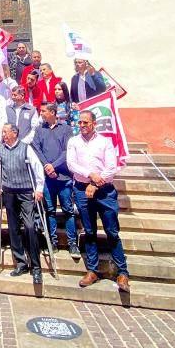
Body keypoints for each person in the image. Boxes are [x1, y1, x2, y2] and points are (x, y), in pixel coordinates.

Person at [67, 110, 129, 291]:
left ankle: (122, 272)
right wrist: (89, 175)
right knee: (89, 231)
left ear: (94, 124)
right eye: (80, 123)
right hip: (81, 190)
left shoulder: (104, 142)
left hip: (104, 191)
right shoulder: (74, 142)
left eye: (86, 123)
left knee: (112, 231)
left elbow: (111, 167)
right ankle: (92, 270)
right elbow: (71, 164)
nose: (82, 126)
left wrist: (95, 183)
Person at [0, 122, 43, 284]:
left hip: (26, 191)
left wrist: (39, 188)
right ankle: (21, 263)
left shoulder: (26, 148)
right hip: (9, 192)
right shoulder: (1, 149)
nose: (4, 135)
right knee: (13, 228)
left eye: (6, 132)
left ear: (15, 133)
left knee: (29, 226)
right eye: (3, 132)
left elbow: (37, 167)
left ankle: (36, 267)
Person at [29, 104, 80, 260]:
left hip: (63, 178)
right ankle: (53, 241)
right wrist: (46, 166)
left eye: (43, 111)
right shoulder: (39, 130)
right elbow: (36, 149)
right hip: (47, 179)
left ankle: (72, 243)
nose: (41, 113)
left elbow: (67, 150)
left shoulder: (66, 129)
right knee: (49, 211)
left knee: (68, 211)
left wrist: (54, 165)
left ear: (52, 112)